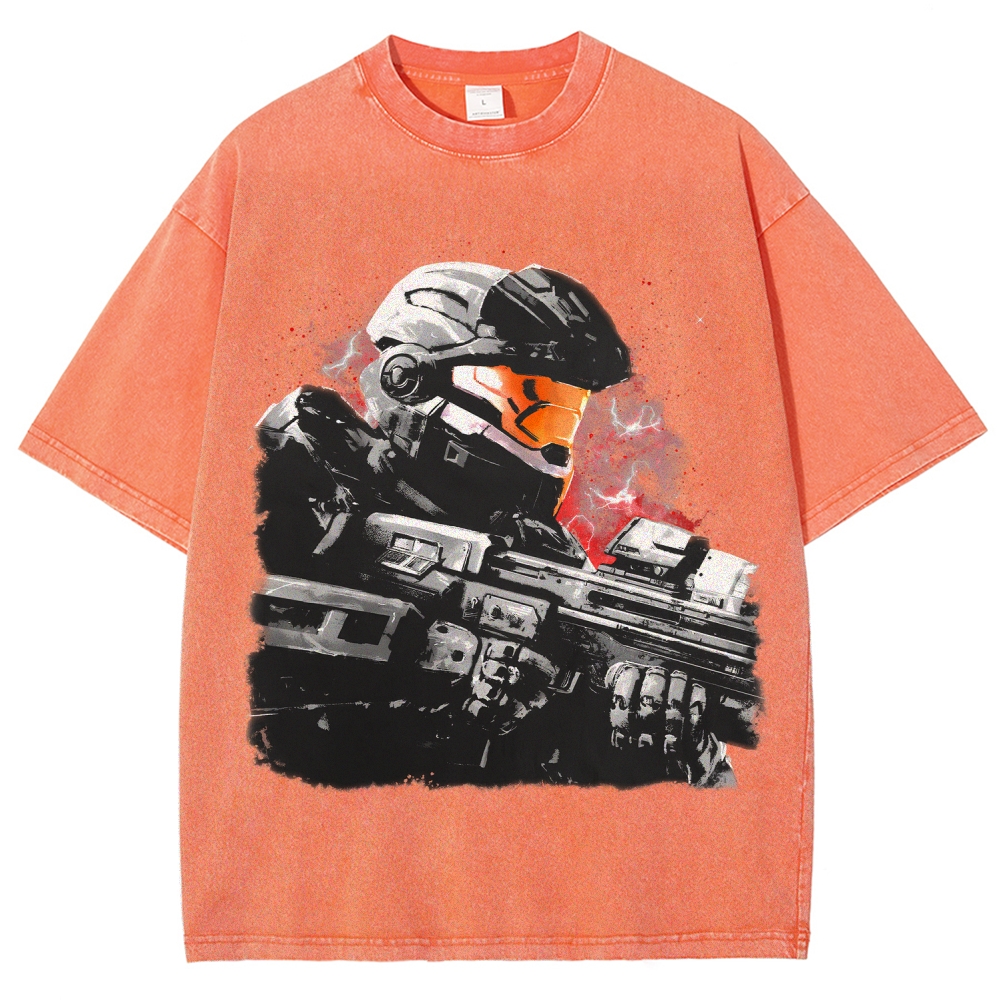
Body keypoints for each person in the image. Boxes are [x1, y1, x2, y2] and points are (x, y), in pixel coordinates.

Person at [251, 262, 745, 787]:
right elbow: (237, 652)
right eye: (529, 404)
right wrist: (437, 666)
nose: (550, 444)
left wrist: (662, 757)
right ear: (409, 378)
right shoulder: (294, 479)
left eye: (562, 416)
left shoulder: (548, 562)